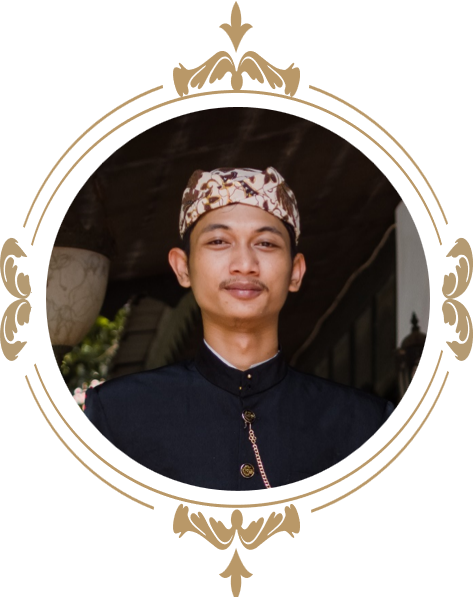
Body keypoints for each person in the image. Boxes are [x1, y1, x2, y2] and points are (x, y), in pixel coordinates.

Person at [84, 167, 394, 491]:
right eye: (218, 241)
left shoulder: (364, 424)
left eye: (266, 243)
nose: (245, 264)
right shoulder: (117, 414)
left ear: (295, 272)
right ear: (183, 267)